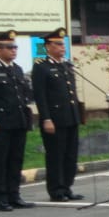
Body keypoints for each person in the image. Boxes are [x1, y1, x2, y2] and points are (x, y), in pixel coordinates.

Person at [0, 31, 34, 211]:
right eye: (9, 47)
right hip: (0, 123)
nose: (13, 50)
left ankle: (14, 194)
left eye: (15, 47)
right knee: (0, 160)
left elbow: (22, 96)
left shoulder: (17, 69)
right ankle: (0, 197)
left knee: (16, 159)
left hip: (18, 122)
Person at [31, 28, 84, 201]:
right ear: (48, 47)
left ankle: (67, 187)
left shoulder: (67, 65)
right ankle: (56, 190)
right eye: (58, 44)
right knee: (56, 155)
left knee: (70, 155)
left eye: (63, 44)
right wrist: (46, 118)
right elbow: (40, 95)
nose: (62, 47)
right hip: (54, 119)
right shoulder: (41, 67)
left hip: (71, 118)